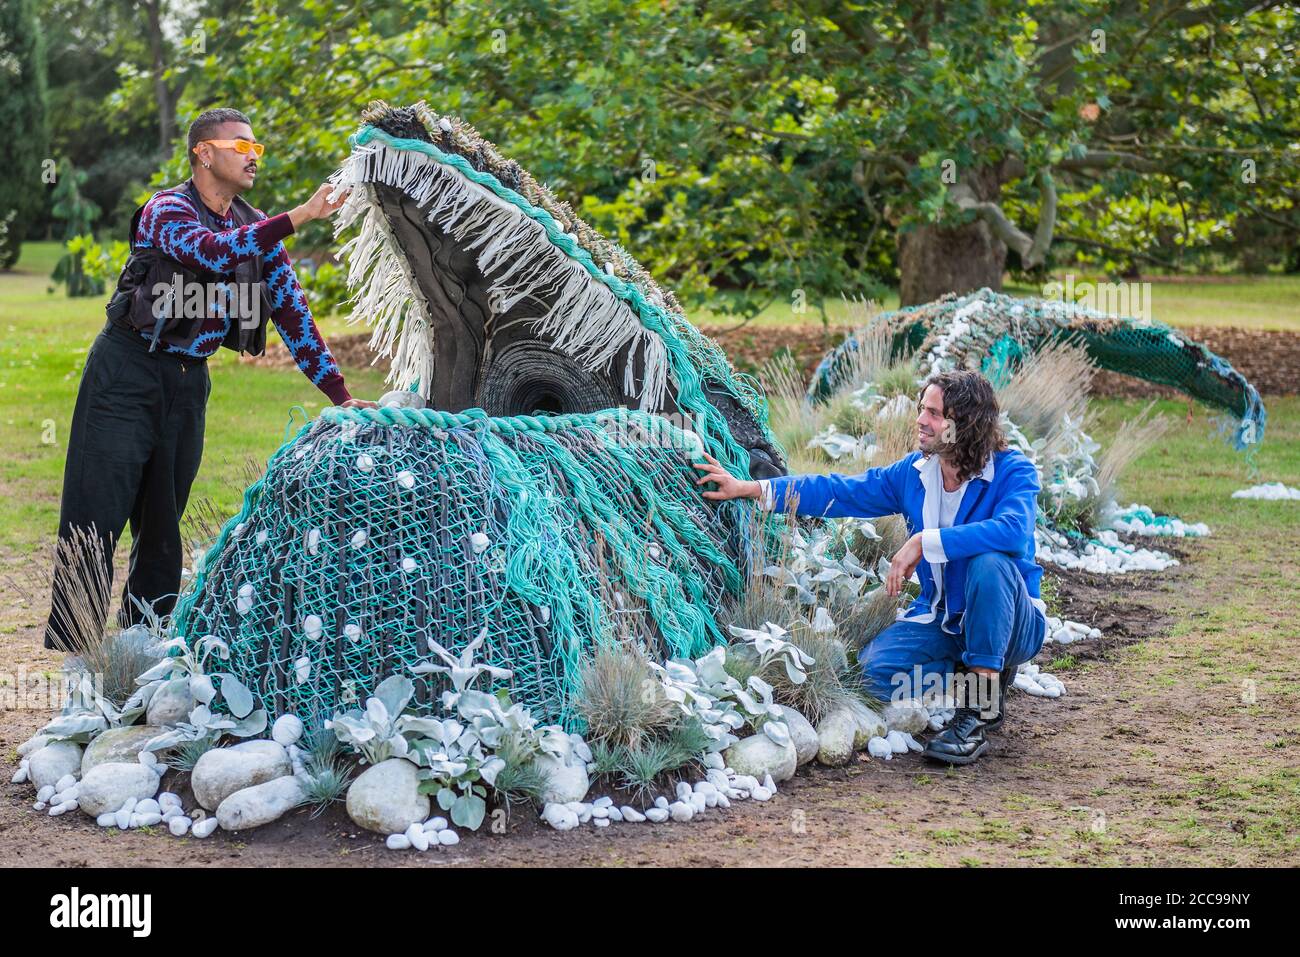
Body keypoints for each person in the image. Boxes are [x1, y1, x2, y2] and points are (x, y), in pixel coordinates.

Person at [43, 107, 377, 652]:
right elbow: (211, 251)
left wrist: (339, 394)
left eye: (256, 147)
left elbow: (292, 312)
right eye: (240, 145)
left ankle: (140, 651)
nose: (252, 155)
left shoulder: (254, 221)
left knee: (162, 528)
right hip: (125, 372)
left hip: (186, 384)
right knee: (94, 515)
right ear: (203, 152)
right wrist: (300, 216)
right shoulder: (166, 210)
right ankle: (78, 661)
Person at [693, 369, 1046, 765]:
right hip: (944, 620)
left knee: (989, 564)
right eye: (920, 409)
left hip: (1015, 623)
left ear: (963, 425)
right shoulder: (915, 474)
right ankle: (981, 672)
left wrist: (923, 541)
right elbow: (840, 490)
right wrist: (754, 489)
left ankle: (979, 709)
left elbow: (1013, 532)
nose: (920, 420)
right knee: (873, 676)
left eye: (933, 413)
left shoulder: (1013, 471)